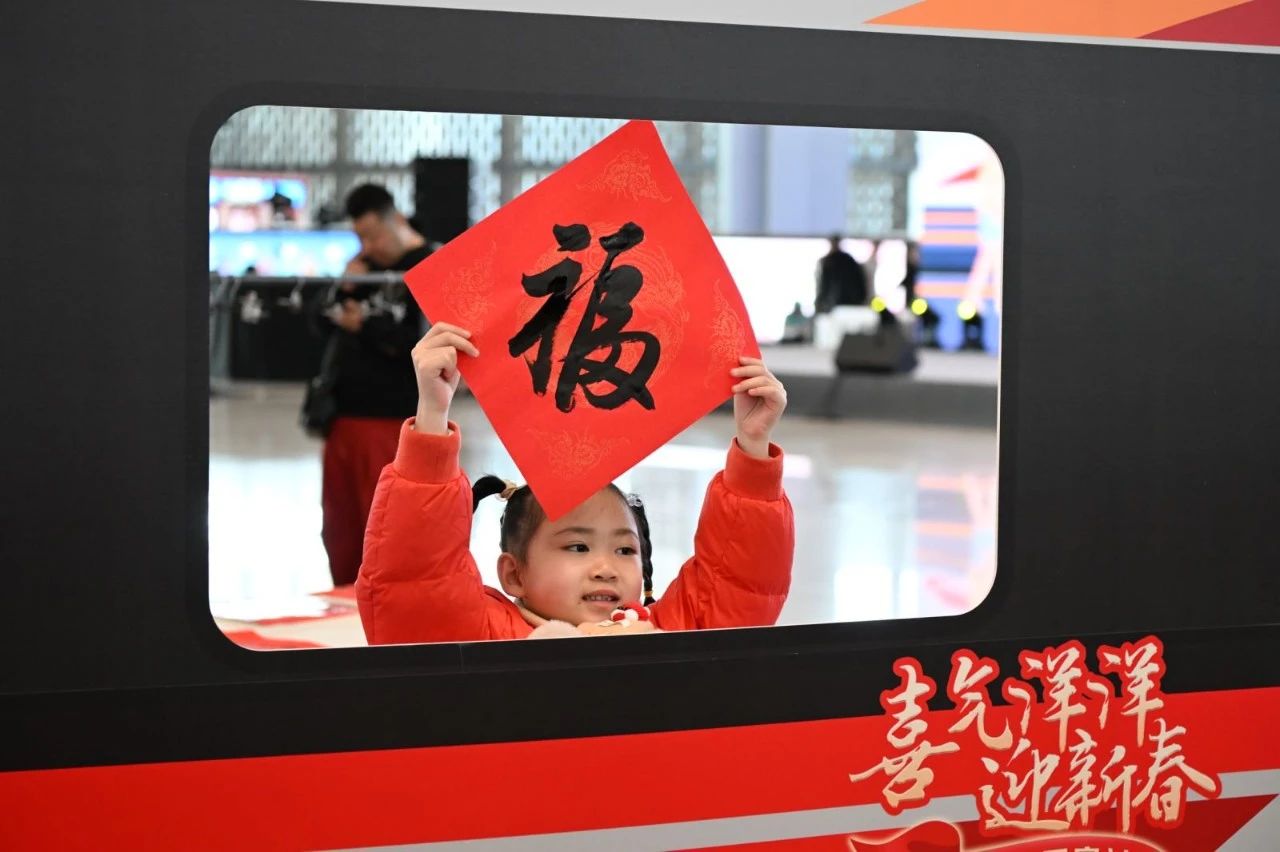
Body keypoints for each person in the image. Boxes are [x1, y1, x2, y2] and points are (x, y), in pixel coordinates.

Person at [355, 322, 795, 643]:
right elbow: (418, 579)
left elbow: (736, 583)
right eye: (578, 547)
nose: (606, 567)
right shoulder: (485, 639)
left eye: (625, 550)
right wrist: (432, 416)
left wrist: (753, 447)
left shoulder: (666, 635)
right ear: (514, 574)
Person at [314, 184, 432, 587]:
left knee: (384, 526)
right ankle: (345, 601)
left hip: (394, 420)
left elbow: (422, 343)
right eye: (360, 237)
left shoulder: (428, 266)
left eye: (374, 235)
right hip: (342, 416)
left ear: (396, 220)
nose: (368, 245)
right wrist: (346, 285)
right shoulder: (363, 269)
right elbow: (319, 323)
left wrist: (365, 325)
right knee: (340, 525)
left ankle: (384, 601)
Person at [815, 235, 867, 313]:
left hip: (844, 305)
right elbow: (823, 286)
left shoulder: (846, 260)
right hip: (837, 306)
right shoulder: (828, 262)